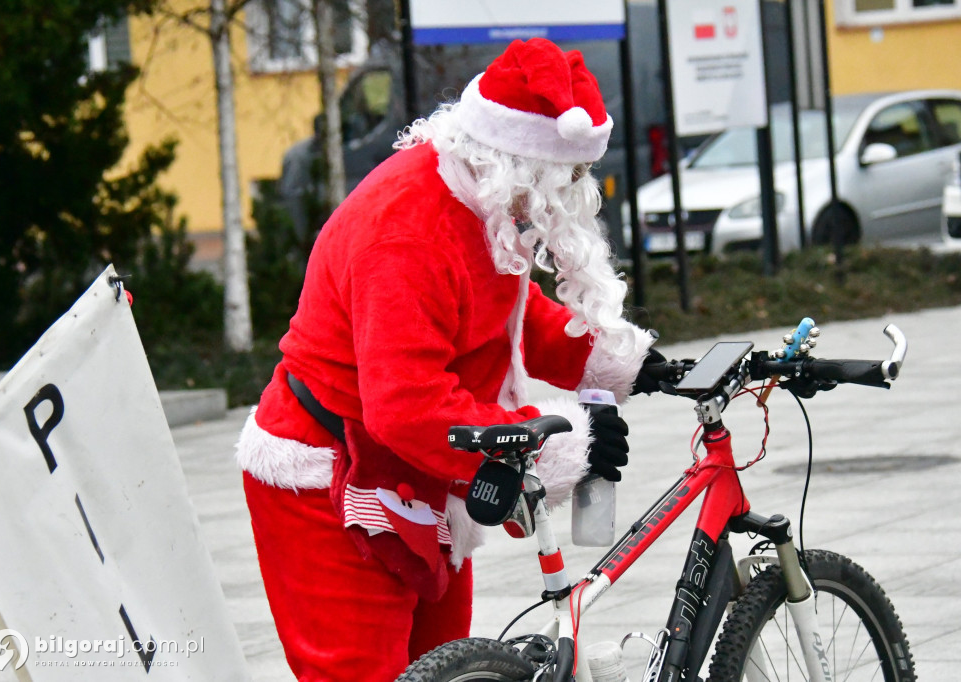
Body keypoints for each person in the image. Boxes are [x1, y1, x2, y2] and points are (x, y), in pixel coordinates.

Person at [236, 37, 658, 681]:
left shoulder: (480, 202)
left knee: (442, 668)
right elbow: (405, 405)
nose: (573, 191)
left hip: (413, 470)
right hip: (327, 475)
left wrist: (621, 361)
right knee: (363, 672)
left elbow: (505, 316)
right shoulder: (410, 229)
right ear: (518, 162)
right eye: (563, 177)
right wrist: (551, 444)